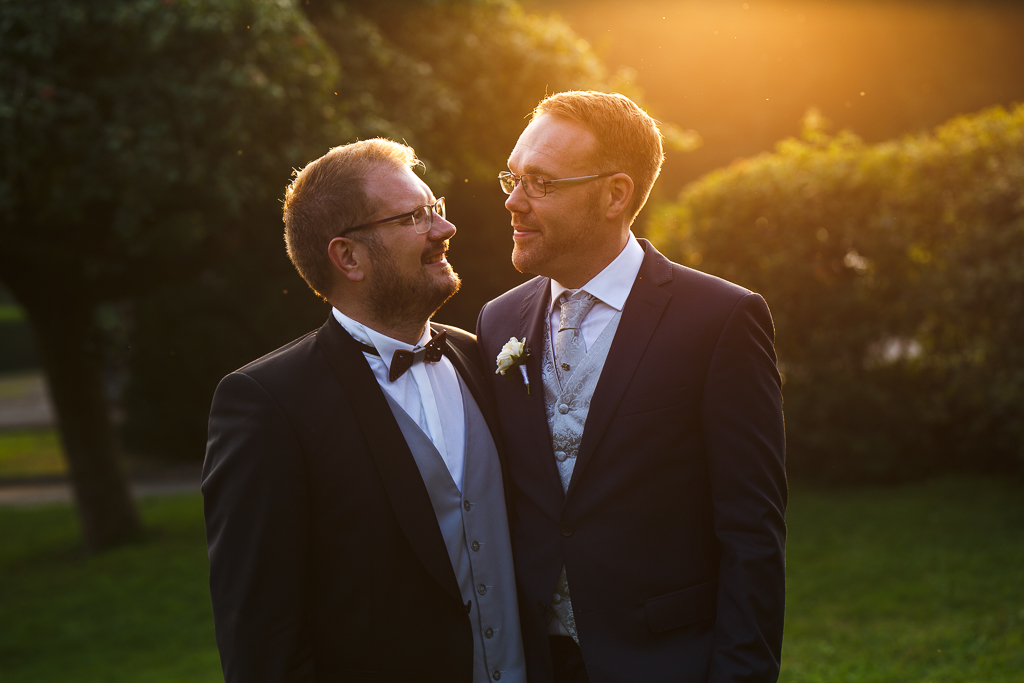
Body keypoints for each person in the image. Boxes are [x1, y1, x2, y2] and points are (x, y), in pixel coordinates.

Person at [476, 91, 787, 682]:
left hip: (665, 660)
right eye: (511, 178)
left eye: (540, 182)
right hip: (531, 662)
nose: (514, 202)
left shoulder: (719, 320)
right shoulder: (497, 321)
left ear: (615, 194)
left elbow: (753, 529)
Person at [203, 139, 526, 683]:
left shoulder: (481, 357)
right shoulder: (266, 405)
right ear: (347, 257)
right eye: (413, 218)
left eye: (435, 209)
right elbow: (261, 636)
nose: (443, 230)